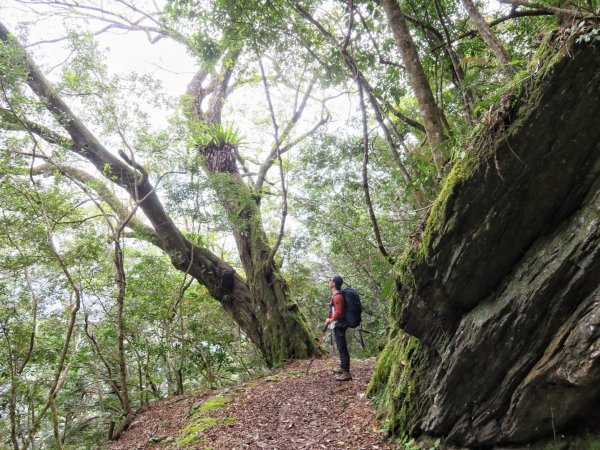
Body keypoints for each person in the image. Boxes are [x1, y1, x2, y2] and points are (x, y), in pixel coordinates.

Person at [325, 274, 351, 381]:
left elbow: (339, 312)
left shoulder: (338, 296)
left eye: (330, 280)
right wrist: (329, 318)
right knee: (341, 347)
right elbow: (334, 310)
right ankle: (342, 367)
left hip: (340, 324)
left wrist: (331, 320)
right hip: (338, 324)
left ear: (334, 283)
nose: (329, 282)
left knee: (342, 347)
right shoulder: (336, 295)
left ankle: (346, 373)